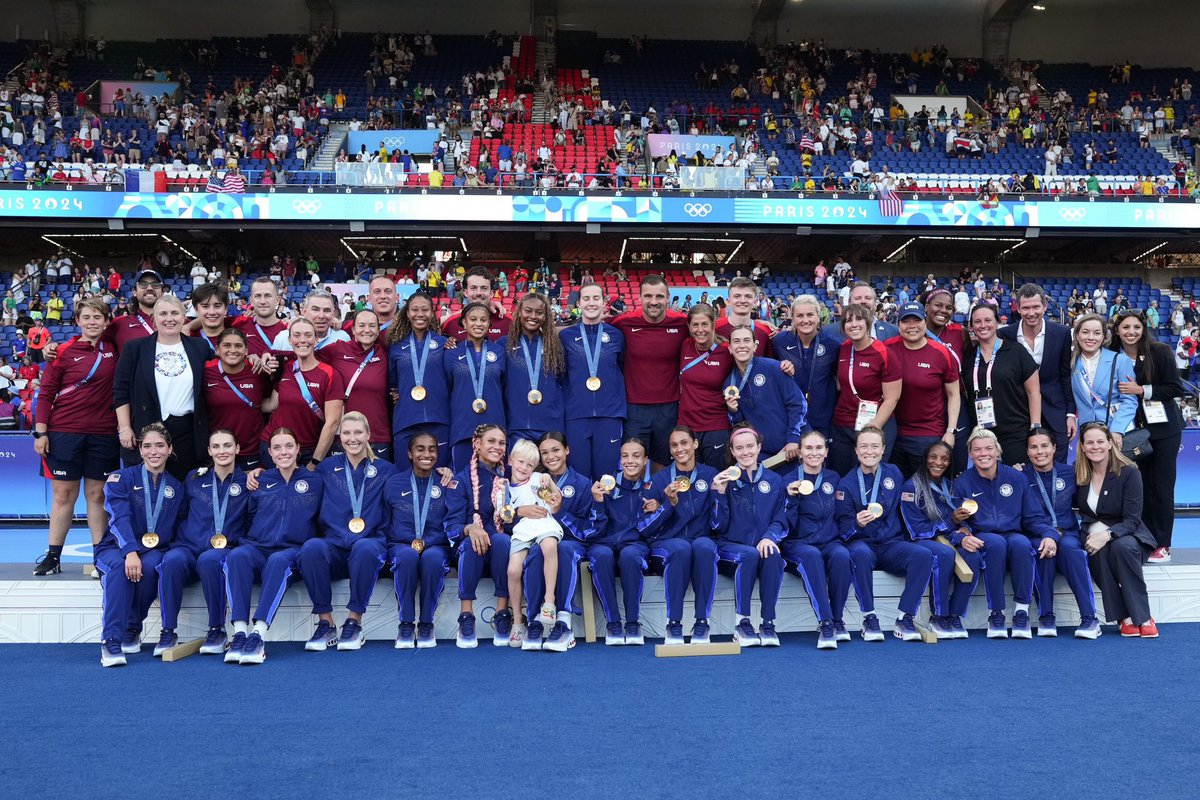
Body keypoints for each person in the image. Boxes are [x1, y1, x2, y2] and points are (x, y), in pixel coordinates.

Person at [224, 428, 326, 665]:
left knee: (278, 561)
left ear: (299, 449)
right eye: (277, 448)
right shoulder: (259, 480)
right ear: (269, 452)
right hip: (259, 547)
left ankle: (259, 634)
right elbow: (248, 515)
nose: (284, 452)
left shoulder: (316, 481)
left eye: (289, 446)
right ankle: (239, 633)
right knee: (237, 556)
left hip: (293, 550)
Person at [32, 297, 119, 576]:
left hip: (104, 433)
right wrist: (41, 432)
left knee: (97, 495)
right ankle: (53, 557)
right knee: (63, 496)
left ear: (107, 322)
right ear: (78, 321)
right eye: (87, 317)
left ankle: (100, 558)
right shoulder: (62, 351)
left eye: (97, 317)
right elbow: (45, 394)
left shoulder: (115, 350)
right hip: (64, 433)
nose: (92, 322)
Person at [299, 413, 396, 651]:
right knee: (311, 548)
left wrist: (443, 473)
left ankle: (354, 622)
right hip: (335, 548)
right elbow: (297, 481)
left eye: (358, 432)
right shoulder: (326, 469)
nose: (352, 438)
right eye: (347, 433)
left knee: (365, 548)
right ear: (339, 436)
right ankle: (326, 623)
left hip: (369, 546)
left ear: (368, 435)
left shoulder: (386, 470)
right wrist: (256, 473)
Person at [952, 427, 1058, 639]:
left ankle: (1021, 612)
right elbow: (954, 522)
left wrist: (1050, 534)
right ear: (970, 454)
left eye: (989, 448)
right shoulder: (963, 481)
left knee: (1021, 544)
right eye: (977, 450)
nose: (983, 454)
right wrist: (962, 535)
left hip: (1014, 533)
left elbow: (1033, 517)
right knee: (996, 544)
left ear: (998, 450)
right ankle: (996, 613)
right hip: (983, 534)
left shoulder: (1016, 478)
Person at [95, 423, 187, 666]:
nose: (153, 451)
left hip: (153, 550)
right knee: (119, 569)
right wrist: (130, 551)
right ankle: (111, 641)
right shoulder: (121, 478)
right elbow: (118, 517)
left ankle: (132, 628)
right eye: (147, 446)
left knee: (155, 564)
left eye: (159, 445)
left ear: (170, 449)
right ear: (140, 450)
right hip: (115, 547)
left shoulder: (176, 488)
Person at [156, 430, 252, 657]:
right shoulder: (194, 479)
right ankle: (168, 630)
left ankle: (217, 630)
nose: (222, 451)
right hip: (190, 546)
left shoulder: (249, 481)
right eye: (216, 447)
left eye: (227, 445)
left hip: (224, 548)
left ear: (237, 449)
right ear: (209, 451)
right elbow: (181, 514)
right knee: (170, 560)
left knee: (210, 560)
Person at [834, 425, 933, 643]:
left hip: (891, 544)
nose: (869, 451)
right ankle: (869, 617)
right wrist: (856, 523)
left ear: (883, 449)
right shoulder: (846, 483)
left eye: (875, 446)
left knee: (923, 555)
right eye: (864, 446)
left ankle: (905, 617)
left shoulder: (894, 473)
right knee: (858, 554)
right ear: (856, 450)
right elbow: (842, 529)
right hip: (863, 543)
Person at [572, 436, 665, 645]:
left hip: (634, 544)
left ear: (645, 460)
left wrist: (657, 508)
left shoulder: (651, 488)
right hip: (603, 542)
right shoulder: (606, 485)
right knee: (602, 556)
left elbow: (650, 528)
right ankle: (613, 623)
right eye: (625, 456)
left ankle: (633, 623)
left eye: (636, 456)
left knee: (631, 555)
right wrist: (597, 502)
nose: (630, 461)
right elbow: (595, 529)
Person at [1110, 310, 1184, 563]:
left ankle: (1163, 543)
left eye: (1136, 327)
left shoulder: (1159, 351)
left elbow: (1175, 387)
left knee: (1161, 487)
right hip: (1129, 431)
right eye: (1125, 328)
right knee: (1137, 486)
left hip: (1163, 430)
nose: (1131, 332)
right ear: (1117, 330)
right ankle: (1142, 538)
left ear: (1143, 329)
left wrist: (1142, 390)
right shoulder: (1110, 354)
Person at [113, 295, 211, 480]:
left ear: (184, 317)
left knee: (183, 491)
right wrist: (125, 427)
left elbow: (223, 368)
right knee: (147, 491)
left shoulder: (200, 347)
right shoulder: (135, 348)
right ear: (154, 319)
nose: (169, 318)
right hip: (146, 428)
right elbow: (121, 389)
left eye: (175, 313)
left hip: (188, 432)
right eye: (163, 313)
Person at [1075, 422, 1157, 637]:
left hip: (1129, 533)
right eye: (1089, 442)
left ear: (1110, 444)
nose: (1095, 447)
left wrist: (1107, 535)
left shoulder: (1129, 472)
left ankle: (1143, 616)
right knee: (1095, 550)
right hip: (1094, 532)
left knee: (1122, 547)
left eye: (1100, 441)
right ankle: (1124, 617)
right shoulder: (1079, 474)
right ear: (1082, 447)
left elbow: (1132, 520)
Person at [712, 424, 788, 646]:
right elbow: (717, 525)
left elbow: (781, 518)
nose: (745, 452)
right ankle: (742, 623)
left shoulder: (774, 481)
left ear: (759, 447)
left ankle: (768, 623)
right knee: (749, 555)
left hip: (760, 545)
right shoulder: (724, 479)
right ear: (732, 451)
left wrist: (769, 537)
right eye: (739, 448)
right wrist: (719, 493)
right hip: (730, 547)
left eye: (750, 446)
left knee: (773, 555)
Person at [643, 426, 720, 645]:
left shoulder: (710, 475)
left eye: (684, 443)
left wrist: (719, 494)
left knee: (705, 547)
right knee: (680, 548)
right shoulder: (659, 480)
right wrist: (668, 504)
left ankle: (702, 622)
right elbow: (644, 528)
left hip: (700, 540)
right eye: (674, 445)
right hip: (667, 545)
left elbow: (719, 521)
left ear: (695, 444)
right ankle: (674, 623)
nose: (679, 449)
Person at [1022, 429, 1101, 639]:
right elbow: (1025, 517)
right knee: (1043, 549)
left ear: (1055, 448)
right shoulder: (1021, 477)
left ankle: (1089, 618)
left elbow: (1089, 503)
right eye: (1033, 447)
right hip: (1037, 533)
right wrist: (1048, 535)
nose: (1040, 451)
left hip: (1067, 533)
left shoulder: (1070, 472)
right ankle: (1046, 615)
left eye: (1045, 445)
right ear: (1027, 451)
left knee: (1069, 549)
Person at [443, 423, 514, 647]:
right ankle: (466, 616)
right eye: (491, 441)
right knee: (473, 542)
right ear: (477, 444)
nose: (497, 447)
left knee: (502, 540)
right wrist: (470, 528)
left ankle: (502, 613)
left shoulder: (509, 477)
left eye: (501, 443)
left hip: (498, 546)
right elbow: (451, 524)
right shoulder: (461, 480)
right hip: (468, 550)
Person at [780, 430, 853, 649]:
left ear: (826, 452)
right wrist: (790, 499)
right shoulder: (788, 481)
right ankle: (825, 622)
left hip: (829, 542)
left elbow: (841, 514)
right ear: (800, 453)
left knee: (842, 555)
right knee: (811, 555)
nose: (814, 453)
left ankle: (837, 619)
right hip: (798, 544)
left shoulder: (833, 478)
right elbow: (784, 524)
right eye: (809, 448)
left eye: (819, 448)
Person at [611, 275, 689, 469]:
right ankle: (634, 499)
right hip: (634, 409)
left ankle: (657, 498)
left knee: (663, 461)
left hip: (669, 407)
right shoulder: (623, 322)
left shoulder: (682, 323)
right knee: (634, 462)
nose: (654, 302)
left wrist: (767, 326)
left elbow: (710, 331)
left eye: (659, 296)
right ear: (639, 298)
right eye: (648, 296)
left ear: (668, 297)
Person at [897, 441, 973, 639]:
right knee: (944, 553)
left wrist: (964, 528)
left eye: (944, 458)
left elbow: (958, 519)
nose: (938, 462)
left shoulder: (948, 486)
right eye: (933, 457)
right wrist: (952, 521)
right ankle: (938, 616)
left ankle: (955, 615)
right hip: (917, 541)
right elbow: (916, 530)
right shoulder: (911, 487)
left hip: (944, 537)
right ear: (924, 459)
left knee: (973, 554)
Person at [386, 432, 452, 649]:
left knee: (433, 559)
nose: (426, 454)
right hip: (402, 545)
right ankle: (405, 624)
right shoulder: (394, 483)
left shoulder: (446, 483)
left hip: (436, 545)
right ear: (409, 453)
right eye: (420, 449)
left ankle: (426, 624)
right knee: (406, 556)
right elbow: (385, 520)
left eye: (432, 449)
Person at [498, 439, 563, 648]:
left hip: (544, 523)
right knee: (513, 571)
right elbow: (503, 516)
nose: (524, 468)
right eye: (520, 462)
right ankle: (517, 620)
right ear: (510, 460)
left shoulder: (538, 478)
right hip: (522, 530)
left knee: (549, 546)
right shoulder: (504, 486)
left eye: (529, 465)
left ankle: (549, 601)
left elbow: (556, 500)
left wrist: (550, 481)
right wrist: (516, 511)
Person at [999, 284, 1076, 459]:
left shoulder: (1062, 333)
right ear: (1018, 308)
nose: (1031, 313)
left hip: (1054, 409)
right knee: (1020, 465)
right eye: (1026, 308)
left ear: (1045, 306)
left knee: (1058, 464)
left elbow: (1065, 375)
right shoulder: (1005, 335)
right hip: (1018, 410)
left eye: (1036, 307)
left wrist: (1070, 414)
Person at [560, 283, 626, 479]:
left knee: (607, 477)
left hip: (609, 414)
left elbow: (620, 367)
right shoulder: (566, 336)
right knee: (578, 476)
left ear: (604, 303)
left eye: (596, 298)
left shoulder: (616, 335)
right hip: (576, 415)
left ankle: (603, 510)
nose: (591, 303)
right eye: (586, 299)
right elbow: (563, 373)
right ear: (578, 304)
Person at [886, 302, 960, 478]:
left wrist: (951, 431)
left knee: (925, 488)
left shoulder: (940, 352)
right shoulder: (888, 348)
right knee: (897, 489)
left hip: (928, 433)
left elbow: (954, 394)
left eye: (917, 320)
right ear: (898, 325)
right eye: (906, 321)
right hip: (893, 433)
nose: (912, 326)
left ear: (925, 322)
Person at [962, 303, 1041, 464]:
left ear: (997, 322)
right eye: (977, 322)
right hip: (981, 434)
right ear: (971, 326)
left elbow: (1034, 392)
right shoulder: (968, 355)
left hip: (1015, 433)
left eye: (988, 320)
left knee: (1013, 483)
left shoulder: (1016, 351)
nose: (983, 325)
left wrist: (1035, 427)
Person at [260, 318, 344, 468]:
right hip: (275, 445)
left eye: (308, 335)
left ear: (316, 339)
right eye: (297, 335)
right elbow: (272, 404)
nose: (302, 340)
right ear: (289, 340)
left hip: (308, 451)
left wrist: (315, 461)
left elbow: (332, 422)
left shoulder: (330, 374)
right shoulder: (285, 367)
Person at [831, 304, 901, 475]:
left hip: (875, 424)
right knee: (843, 476)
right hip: (843, 424)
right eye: (848, 321)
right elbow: (841, 383)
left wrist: (874, 426)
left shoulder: (884, 353)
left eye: (859, 319)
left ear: (868, 322)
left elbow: (892, 397)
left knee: (869, 476)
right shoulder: (843, 349)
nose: (854, 324)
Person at [724, 325, 808, 463]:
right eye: (736, 341)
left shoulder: (774, 368)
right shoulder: (730, 383)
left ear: (755, 346)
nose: (742, 345)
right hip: (763, 456)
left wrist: (793, 438)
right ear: (730, 348)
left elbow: (798, 404)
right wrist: (733, 411)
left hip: (792, 448)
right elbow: (740, 425)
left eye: (746, 340)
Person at [387, 291, 452, 469]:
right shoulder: (396, 346)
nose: (420, 314)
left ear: (432, 313)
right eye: (415, 309)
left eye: (425, 309)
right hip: (406, 419)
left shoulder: (444, 344)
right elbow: (392, 382)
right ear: (407, 313)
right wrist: (394, 392)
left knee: (440, 475)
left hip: (439, 417)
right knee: (404, 473)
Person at [319, 309, 391, 460]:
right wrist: (269, 355)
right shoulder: (338, 350)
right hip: (344, 436)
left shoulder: (384, 353)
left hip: (378, 436)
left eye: (372, 326)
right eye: (361, 325)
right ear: (353, 330)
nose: (367, 330)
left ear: (378, 330)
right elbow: (303, 355)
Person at [445, 302, 507, 470]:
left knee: (494, 484)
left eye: (483, 320)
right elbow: (448, 387)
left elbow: (504, 386)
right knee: (462, 481)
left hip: (494, 427)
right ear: (464, 322)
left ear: (489, 323)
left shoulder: (500, 352)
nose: (478, 324)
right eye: (473, 319)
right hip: (463, 428)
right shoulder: (451, 352)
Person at [773, 295, 840, 440]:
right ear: (793, 318)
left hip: (823, 418)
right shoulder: (779, 342)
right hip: (790, 419)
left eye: (810, 315)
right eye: (800, 316)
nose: (805, 320)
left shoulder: (832, 345)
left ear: (818, 316)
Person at [204, 329, 270, 470]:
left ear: (246, 350)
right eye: (227, 345)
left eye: (238, 346)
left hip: (252, 451)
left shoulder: (257, 370)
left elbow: (267, 400)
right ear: (217, 349)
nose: (232, 350)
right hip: (219, 450)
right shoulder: (205, 370)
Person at [504, 293, 565, 444]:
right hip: (517, 427)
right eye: (528, 311)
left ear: (545, 317)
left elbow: (563, 382)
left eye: (539, 312)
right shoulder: (504, 345)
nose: (533, 316)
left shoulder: (555, 346)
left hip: (550, 427)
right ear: (519, 313)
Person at [678, 304, 733, 467]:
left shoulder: (726, 352)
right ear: (688, 326)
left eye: (704, 324)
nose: (700, 330)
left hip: (716, 426)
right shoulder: (685, 345)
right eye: (695, 324)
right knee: (688, 480)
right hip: (686, 427)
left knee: (716, 479)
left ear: (713, 324)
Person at [1071, 314, 1138, 442]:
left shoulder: (1120, 361)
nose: (1091, 337)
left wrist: (1117, 429)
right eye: (1085, 332)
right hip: (1087, 433)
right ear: (1077, 335)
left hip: (1115, 430)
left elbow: (1130, 401)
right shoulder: (1071, 363)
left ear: (1103, 337)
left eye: (1097, 333)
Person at [440, 267, 508, 341]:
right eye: (473, 288)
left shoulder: (507, 320)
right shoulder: (451, 322)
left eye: (484, 288)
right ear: (465, 293)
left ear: (491, 293)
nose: (478, 293)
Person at [269, 290, 350, 352]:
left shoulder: (343, 338)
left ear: (333, 313)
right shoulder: (283, 338)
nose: (321, 316)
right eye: (315, 310)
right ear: (304, 312)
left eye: (327, 310)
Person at [715, 276, 774, 356]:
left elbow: (771, 364)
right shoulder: (714, 328)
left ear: (755, 302)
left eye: (748, 296)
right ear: (728, 301)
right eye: (737, 296)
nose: (742, 301)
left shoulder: (766, 332)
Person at [822, 282, 898, 343]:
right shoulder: (829, 332)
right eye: (858, 298)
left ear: (875, 303)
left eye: (868, 298)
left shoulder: (894, 331)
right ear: (849, 303)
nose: (863, 301)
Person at [231, 276, 289, 357]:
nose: (262, 301)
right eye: (258, 296)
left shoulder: (288, 329)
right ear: (251, 301)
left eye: (268, 296)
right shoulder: (240, 327)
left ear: (277, 300)